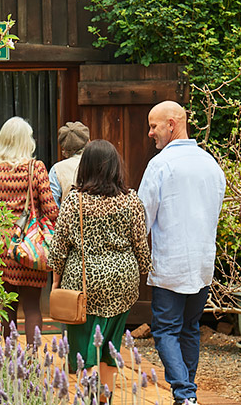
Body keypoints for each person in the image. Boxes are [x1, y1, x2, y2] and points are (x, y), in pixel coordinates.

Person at [137, 101, 226, 405]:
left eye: (154, 126)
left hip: (171, 265)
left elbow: (142, 219)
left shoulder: (161, 164)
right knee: (189, 329)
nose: (150, 133)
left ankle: (185, 395)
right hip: (203, 264)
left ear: (172, 124)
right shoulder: (210, 164)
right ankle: (186, 395)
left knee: (165, 331)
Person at [49, 139, 150, 396]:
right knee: (110, 345)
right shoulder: (131, 201)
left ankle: (89, 393)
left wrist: (56, 281)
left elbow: (59, 247)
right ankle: (105, 396)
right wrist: (143, 271)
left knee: (84, 345)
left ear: (86, 167)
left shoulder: (75, 201)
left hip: (82, 283)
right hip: (121, 283)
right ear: (116, 167)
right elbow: (140, 245)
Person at [0, 116, 59, 346]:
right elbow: (50, 210)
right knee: (32, 306)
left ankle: (6, 361)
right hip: (29, 246)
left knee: (6, 308)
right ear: (26, 141)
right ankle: (31, 361)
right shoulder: (36, 169)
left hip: (1, 247)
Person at [48, 121, 90, 207]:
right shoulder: (100, 163)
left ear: (64, 149)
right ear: (88, 142)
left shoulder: (57, 169)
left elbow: (52, 202)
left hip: (68, 218)